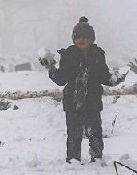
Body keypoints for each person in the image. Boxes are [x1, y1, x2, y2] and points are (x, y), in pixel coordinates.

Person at [41, 17, 125, 163]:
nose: (81, 39)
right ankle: (73, 159)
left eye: (85, 37)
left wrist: (115, 79)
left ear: (91, 39)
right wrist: (51, 68)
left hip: (92, 101)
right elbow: (61, 79)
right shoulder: (68, 55)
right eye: (78, 37)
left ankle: (97, 157)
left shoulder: (98, 54)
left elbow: (103, 76)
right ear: (73, 38)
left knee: (95, 132)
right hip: (72, 102)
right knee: (74, 133)